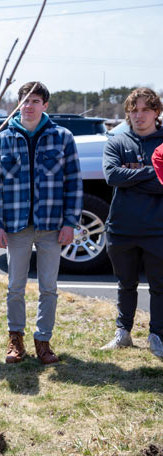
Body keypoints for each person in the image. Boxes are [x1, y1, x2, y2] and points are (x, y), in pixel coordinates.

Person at [0, 81, 82, 365]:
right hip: (15, 226)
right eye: (24, 100)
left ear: (45, 105)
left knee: (48, 287)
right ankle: (16, 340)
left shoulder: (62, 137)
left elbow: (73, 183)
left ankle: (43, 340)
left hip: (51, 225)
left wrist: (70, 222)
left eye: (35, 101)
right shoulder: (2, 139)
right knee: (15, 285)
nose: (28, 106)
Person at [100, 87, 163, 357]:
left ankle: (157, 335)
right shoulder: (117, 141)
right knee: (126, 284)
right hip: (121, 228)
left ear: (156, 112)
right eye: (133, 110)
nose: (139, 115)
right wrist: (150, 171)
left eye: (145, 109)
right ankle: (123, 332)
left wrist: (133, 178)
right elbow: (112, 176)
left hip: (157, 229)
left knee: (160, 286)